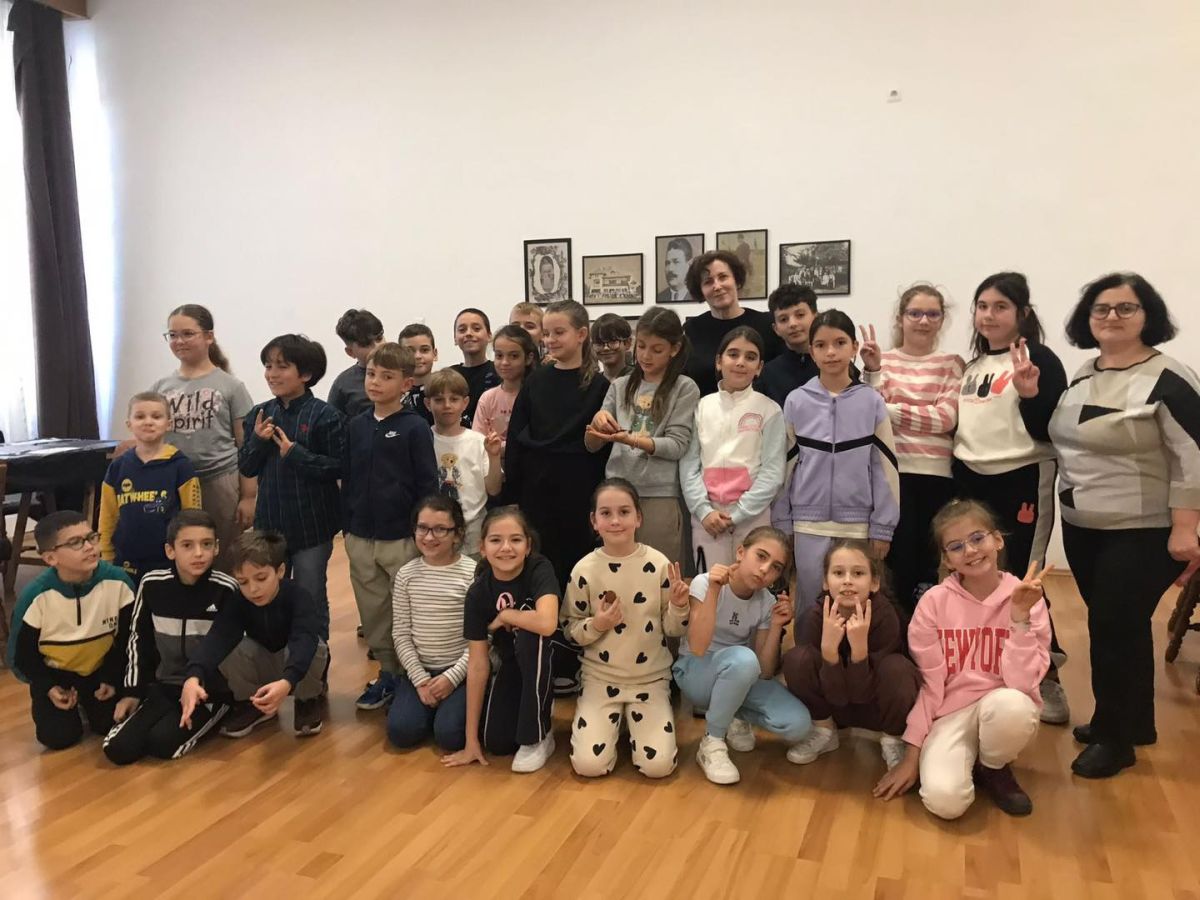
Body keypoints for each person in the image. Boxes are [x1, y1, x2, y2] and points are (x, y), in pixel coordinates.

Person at [1049, 273, 1200, 778]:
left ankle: (1114, 740)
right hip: (1082, 525)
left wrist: (1186, 527)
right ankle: (1134, 721)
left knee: (1111, 627)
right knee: (1122, 624)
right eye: (1101, 308)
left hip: (1143, 529)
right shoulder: (1084, 373)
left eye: (1125, 308)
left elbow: (1193, 455)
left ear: (1147, 315)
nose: (1111, 316)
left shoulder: (1168, 376)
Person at [874, 499, 1050, 819]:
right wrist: (912, 755)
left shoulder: (1026, 596)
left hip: (1002, 703)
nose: (970, 550)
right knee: (945, 802)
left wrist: (1019, 618)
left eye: (977, 538)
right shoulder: (933, 603)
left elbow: (1023, 684)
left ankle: (993, 765)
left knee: (1013, 706)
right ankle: (970, 758)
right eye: (956, 546)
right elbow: (930, 685)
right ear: (947, 559)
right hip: (950, 712)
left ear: (997, 540)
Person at [952, 272, 1070, 725]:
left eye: (1000, 306)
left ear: (1022, 313)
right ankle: (988, 666)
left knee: (1024, 579)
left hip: (1021, 477)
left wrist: (1030, 394)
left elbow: (1050, 429)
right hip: (971, 479)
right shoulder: (973, 366)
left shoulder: (1039, 359)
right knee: (978, 574)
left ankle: (1046, 673)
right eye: (982, 306)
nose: (989, 315)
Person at [771, 309, 899, 610]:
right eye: (821, 345)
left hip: (858, 527)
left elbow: (885, 468)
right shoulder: (796, 401)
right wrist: (783, 523)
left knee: (855, 606)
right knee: (809, 606)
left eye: (840, 343)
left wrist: (883, 526)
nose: (830, 352)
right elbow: (784, 467)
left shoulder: (871, 401)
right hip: (807, 525)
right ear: (811, 351)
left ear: (854, 348)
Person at [564, 479, 689, 778]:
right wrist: (597, 625)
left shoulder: (658, 564)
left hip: (649, 679)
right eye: (606, 513)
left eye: (624, 512)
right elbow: (570, 628)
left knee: (658, 767)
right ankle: (615, 722)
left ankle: (632, 723)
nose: (616, 521)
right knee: (588, 766)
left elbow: (674, 630)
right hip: (600, 678)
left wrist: (679, 606)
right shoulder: (583, 569)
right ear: (594, 521)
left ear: (638, 518)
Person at [341, 343, 438, 711]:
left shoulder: (415, 427)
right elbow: (348, 478)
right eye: (371, 374)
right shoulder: (356, 425)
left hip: (401, 537)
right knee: (373, 610)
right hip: (360, 535)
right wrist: (347, 527)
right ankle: (388, 673)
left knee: (406, 609)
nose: (376, 382)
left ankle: (414, 674)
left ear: (406, 383)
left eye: (386, 376)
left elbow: (427, 483)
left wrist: (423, 530)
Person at [674, 526, 811, 784]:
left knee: (799, 725)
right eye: (761, 556)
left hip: (740, 673)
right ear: (740, 552)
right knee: (743, 660)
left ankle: (732, 713)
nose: (765, 569)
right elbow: (698, 647)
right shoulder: (705, 582)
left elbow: (765, 671)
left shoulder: (766, 602)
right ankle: (712, 741)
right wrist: (714, 591)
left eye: (776, 567)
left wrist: (776, 626)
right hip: (695, 671)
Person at [102, 510, 239, 765]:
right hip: (164, 686)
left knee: (162, 744)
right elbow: (137, 639)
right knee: (118, 748)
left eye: (206, 544)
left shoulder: (226, 589)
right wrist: (132, 691)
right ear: (170, 550)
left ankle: (218, 711)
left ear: (217, 547)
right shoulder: (152, 584)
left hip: (208, 692)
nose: (198, 553)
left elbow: (229, 645)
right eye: (187, 545)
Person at [860, 284, 964, 612]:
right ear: (901, 317)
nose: (923, 321)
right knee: (897, 562)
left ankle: (925, 629)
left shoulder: (952, 363)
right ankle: (896, 632)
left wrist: (891, 409)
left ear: (942, 319)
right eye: (915, 313)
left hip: (937, 476)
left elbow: (945, 419)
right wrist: (874, 374)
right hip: (892, 474)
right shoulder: (883, 362)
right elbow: (869, 412)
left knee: (928, 563)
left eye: (932, 314)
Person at [238, 334, 344, 641]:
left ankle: (315, 663)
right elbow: (247, 467)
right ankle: (276, 658)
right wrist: (258, 441)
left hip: (313, 527)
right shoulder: (259, 414)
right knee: (270, 594)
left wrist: (297, 454)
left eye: (282, 366)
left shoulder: (326, 415)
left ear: (306, 374)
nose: (272, 374)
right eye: (268, 366)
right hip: (269, 526)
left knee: (310, 597)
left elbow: (339, 467)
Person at [781, 540, 920, 772]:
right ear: (825, 582)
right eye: (838, 573)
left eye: (858, 573)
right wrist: (829, 653)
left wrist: (859, 652)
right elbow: (837, 696)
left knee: (898, 668)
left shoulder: (885, 617)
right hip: (835, 708)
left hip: (875, 710)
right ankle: (824, 732)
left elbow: (861, 694)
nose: (847, 580)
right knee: (796, 659)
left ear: (874, 583)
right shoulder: (814, 617)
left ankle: (892, 740)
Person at [441, 507, 561, 772]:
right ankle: (537, 709)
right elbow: (477, 664)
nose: (506, 548)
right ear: (482, 548)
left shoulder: (539, 568)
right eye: (496, 540)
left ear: (528, 546)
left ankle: (538, 735)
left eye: (515, 539)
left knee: (531, 632)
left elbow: (547, 623)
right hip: (512, 662)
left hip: (552, 658)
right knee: (497, 743)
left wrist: (507, 615)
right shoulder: (478, 593)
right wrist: (471, 741)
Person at [504, 299, 610, 592]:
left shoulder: (599, 386)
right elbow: (516, 438)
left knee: (579, 566)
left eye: (559, 332)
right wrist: (512, 492)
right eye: (547, 333)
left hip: (580, 491)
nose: (550, 340)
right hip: (536, 490)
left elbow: (604, 449)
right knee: (540, 564)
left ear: (582, 334)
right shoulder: (535, 381)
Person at [180, 530, 328, 738]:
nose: (253, 589)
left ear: (280, 571)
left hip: (296, 665)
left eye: (261, 578)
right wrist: (193, 676)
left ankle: (307, 699)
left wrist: (288, 681)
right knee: (231, 648)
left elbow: (303, 638)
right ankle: (254, 703)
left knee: (315, 646)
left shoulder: (298, 596)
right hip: (267, 661)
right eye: (243, 582)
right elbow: (219, 636)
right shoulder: (237, 600)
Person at [8, 511, 135, 751]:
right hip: (57, 676)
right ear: (50, 558)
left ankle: (89, 705)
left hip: (101, 671)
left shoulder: (119, 582)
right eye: (76, 542)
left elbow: (128, 640)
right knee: (58, 738)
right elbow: (21, 656)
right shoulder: (35, 596)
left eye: (92, 537)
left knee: (110, 724)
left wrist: (111, 677)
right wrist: (47, 687)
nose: (89, 547)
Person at [585, 307, 699, 564]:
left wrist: (631, 440)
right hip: (617, 490)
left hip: (659, 494)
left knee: (659, 572)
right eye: (642, 346)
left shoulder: (684, 387)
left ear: (674, 349)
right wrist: (597, 422)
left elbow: (677, 445)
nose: (646, 356)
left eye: (657, 350)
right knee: (617, 568)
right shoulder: (620, 385)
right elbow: (592, 444)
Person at [152, 304, 256, 573]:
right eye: (173, 335)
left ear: (209, 336)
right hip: (174, 482)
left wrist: (249, 496)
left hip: (219, 481)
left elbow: (247, 447)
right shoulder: (161, 387)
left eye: (188, 334)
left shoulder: (231, 386)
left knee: (223, 554)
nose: (179, 341)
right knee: (181, 552)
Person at [680, 327, 785, 573]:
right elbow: (688, 466)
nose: (740, 362)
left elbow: (773, 472)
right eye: (733, 354)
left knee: (750, 582)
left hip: (752, 518)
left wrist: (738, 514)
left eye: (750, 357)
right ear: (719, 361)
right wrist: (704, 511)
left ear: (759, 367)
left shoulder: (769, 410)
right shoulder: (701, 407)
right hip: (707, 519)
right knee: (710, 585)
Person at [388, 495, 478, 751]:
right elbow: (401, 634)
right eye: (422, 528)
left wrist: (452, 677)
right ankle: (427, 707)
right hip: (421, 670)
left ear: (457, 534)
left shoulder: (473, 574)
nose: (429, 537)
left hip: (460, 672)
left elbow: (482, 638)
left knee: (450, 736)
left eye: (440, 529)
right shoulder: (406, 575)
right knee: (401, 732)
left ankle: (448, 711)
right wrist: (420, 680)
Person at [100, 392, 203, 583]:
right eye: (140, 416)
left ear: (169, 424)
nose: (148, 422)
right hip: (125, 559)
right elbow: (108, 514)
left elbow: (193, 515)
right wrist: (106, 552)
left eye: (156, 416)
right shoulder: (118, 467)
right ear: (129, 424)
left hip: (168, 558)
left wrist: (189, 551)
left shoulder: (181, 466)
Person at [682, 250, 783, 396]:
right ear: (701, 290)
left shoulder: (767, 325)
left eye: (723, 277)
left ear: (736, 280)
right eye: (708, 282)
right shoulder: (692, 329)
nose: (717, 286)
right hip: (705, 409)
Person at [426, 367, 503, 555]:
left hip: (473, 532)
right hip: (433, 532)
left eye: (454, 399)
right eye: (439, 400)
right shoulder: (423, 439)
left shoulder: (478, 441)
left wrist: (494, 456)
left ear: (465, 403)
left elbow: (494, 489)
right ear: (428, 403)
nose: (447, 405)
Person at [473, 324, 539, 451]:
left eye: (514, 356)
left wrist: (501, 447)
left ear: (528, 358)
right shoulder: (487, 398)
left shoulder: (536, 396)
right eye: (499, 356)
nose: (504, 362)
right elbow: (477, 441)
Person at [756, 283, 821, 407]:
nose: (792, 324)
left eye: (800, 315)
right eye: (783, 319)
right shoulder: (767, 374)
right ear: (776, 329)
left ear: (816, 317)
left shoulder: (833, 363)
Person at [328, 309, 385, 419]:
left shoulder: (404, 370)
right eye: (366, 344)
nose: (377, 347)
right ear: (350, 352)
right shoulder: (343, 385)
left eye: (379, 338)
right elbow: (331, 425)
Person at [451, 308, 501, 427]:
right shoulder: (449, 375)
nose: (469, 333)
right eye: (462, 330)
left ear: (489, 336)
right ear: (455, 338)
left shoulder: (499, 371)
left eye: (476, 329)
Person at [397, 322, 438, 425]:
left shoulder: (445, 391)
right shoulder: (394, 395)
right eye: (409, 351)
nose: (417, 356)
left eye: (424, 350)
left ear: (435, 354)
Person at [592, 313, 634, 382]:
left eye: (613, 341)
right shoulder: (594, 383)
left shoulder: (638, 379)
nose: (606, 348)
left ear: (627, 343)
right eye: (599, 343)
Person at [656, 236, 695, 304]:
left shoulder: (698, 296)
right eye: (667, 263)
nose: (670, 269)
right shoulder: (660, 297)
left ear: (689, 265)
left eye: (676, 262)